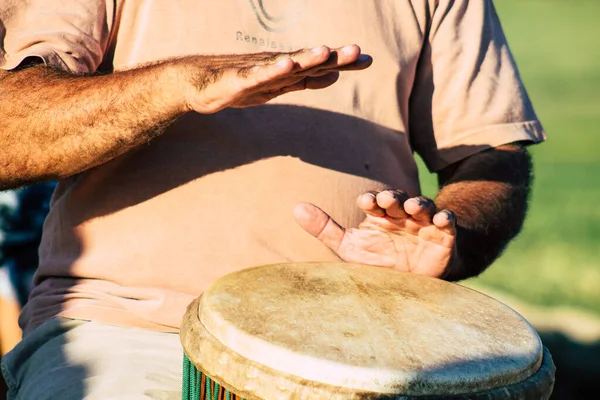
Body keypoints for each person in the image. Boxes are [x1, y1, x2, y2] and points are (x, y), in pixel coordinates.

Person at [0, 0, 545, 398]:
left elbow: (491, 155)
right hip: (129, 330)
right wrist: (174, 86)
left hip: (365, 344)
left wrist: (454, 238)